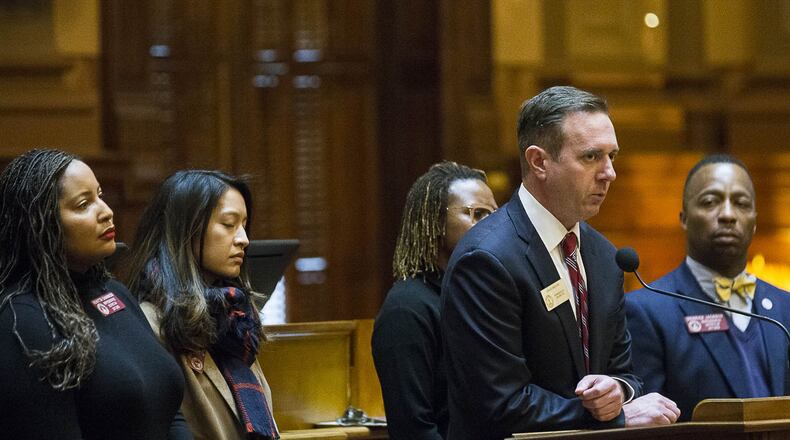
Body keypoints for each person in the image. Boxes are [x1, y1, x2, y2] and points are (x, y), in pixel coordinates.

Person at [441, 86, 680, 440]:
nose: (609, 173)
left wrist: (618, 391)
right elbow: (499, 403)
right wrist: (615, 418)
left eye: (611, 155)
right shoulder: (487, 260)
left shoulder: (605, 257)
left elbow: (625, 372)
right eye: (591, 157)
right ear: (539, 162)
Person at [0, 149, 190, 440]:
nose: (106, 211)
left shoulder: (115, 293)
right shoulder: (22, 319)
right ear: (39, 223)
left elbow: (168, 409)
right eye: (83, 204)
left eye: (99, 195)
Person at [626, 154, 790, 421]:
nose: (727, 215)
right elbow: (648, 427)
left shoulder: (785, 307)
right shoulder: (647, 311)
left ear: (754, 219)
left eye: (741, 203)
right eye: (710, 202)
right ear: (684, 218)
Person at [124, 170, 278, 440]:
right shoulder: (149, 324)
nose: (244, 239)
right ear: (187, 229)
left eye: (244, 224)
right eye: (229, 224)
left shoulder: (236, 318)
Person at [372, 161, 498, 440]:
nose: (490, 225)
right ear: (434, 222)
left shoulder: (483, 299)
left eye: (493, 214)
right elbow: (413, 428)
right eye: (476, 214)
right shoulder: (406, 309)